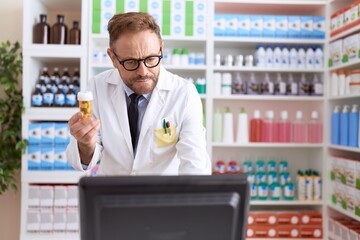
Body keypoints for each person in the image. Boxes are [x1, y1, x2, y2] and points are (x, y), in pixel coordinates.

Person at [66, 12, 211, 175]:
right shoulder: (98, 87)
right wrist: (85, 143)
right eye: (131, 62)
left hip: (163, 196)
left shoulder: (184, 94)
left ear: (161, 49)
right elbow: (83, 161)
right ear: (113, 58)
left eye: (150, 59)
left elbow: (195, 165)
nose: (143, 72)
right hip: (113, 195)